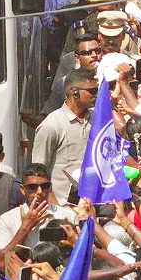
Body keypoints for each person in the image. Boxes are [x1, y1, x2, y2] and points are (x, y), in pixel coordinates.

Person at [30, 67, 95, 202]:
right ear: (74, 92)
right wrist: (58, 208)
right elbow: (38, 174)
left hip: (93, 203)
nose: (96, 95)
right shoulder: (51, 126)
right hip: (62, 207)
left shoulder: (96, 119)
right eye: (92, 91)